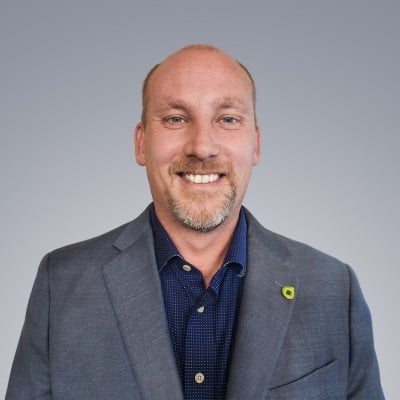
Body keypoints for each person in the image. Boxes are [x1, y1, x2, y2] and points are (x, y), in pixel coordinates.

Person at [6, 44, 384, 400]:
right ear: (141, 143)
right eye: (176, 118)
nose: (202, 147)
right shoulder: (62, 285)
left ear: (255, 144)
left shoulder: (334, 289)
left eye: (228, 119)